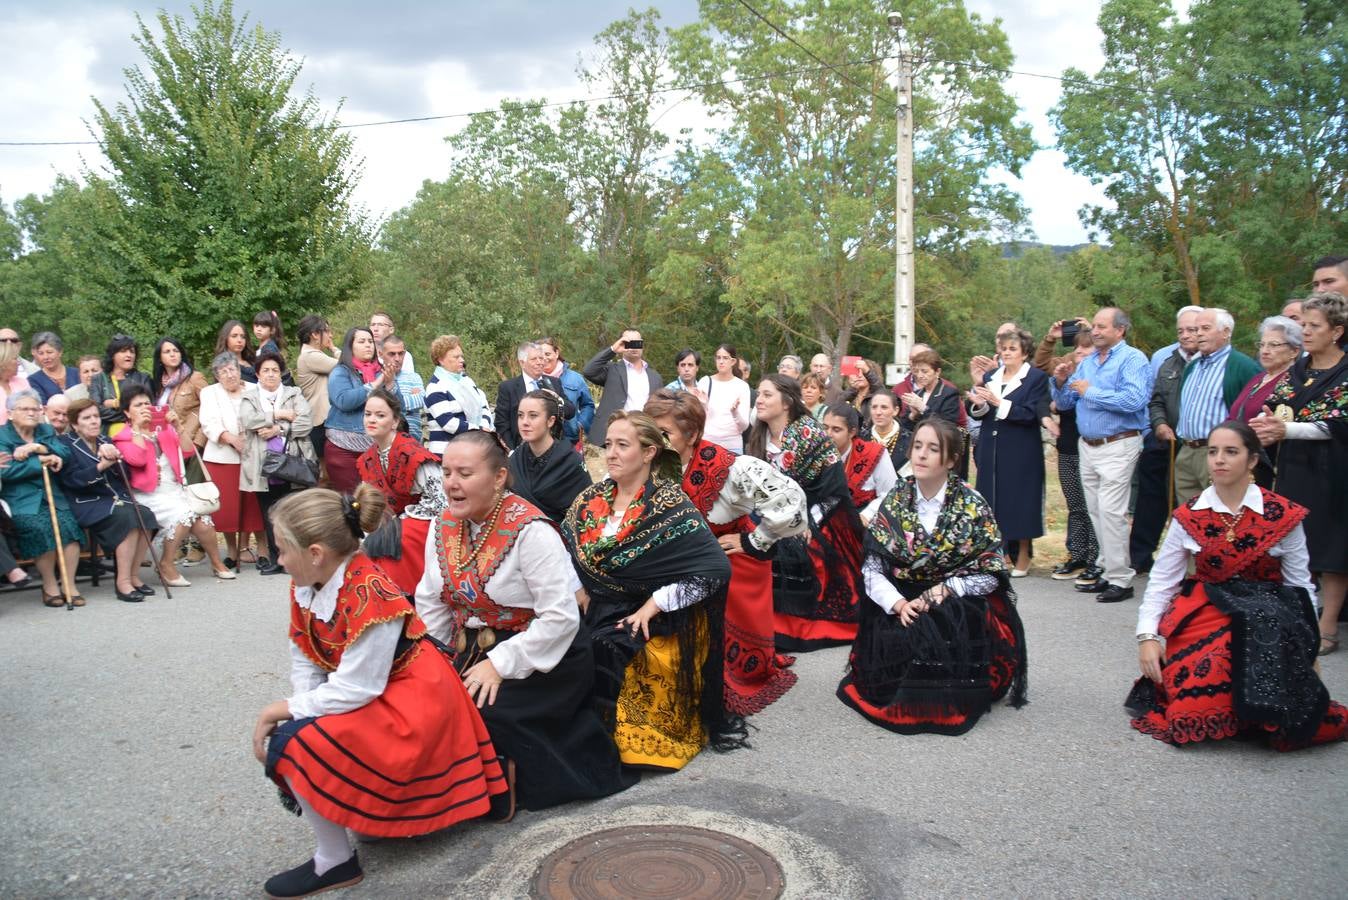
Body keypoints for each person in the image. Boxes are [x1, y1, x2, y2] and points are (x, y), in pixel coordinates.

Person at [254, 484, 505, 898]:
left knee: (293, 742)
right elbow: (306, 652)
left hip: (414, 701)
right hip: (378, 691)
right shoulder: (307, 582)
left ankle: (334, 861)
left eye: (282, 550)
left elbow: (357, 687)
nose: (278, 560)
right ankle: (365, 815)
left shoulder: (372, 592)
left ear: (316, 553)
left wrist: (281, 712)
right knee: (304, 729)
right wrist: (300, 705)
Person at [413, 431, 632, 812]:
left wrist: (499, 665)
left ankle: (504, 784)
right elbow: (431, 600)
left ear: (498, 477)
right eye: (447, 472)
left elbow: (560, 619)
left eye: (464, 473)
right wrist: (434, 657)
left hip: (544, 651)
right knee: (420, 701)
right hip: (470, 645)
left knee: (477, 708)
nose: (451, 483)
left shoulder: (531, 531)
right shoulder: (442, 525)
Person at [1127, 421, 1346, 750]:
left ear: (1253, 460)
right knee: (1193, 704)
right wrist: (1147, 637)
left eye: (1231, 452)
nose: (1219, 460)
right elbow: (1161, 583)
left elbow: (1301, 587)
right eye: (1213, 452)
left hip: (1271, 613)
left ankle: (1259, 713)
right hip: (1206, 610)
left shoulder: (1283, 515)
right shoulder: (1189, 515)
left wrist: (1309, 647)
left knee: (1262, 632)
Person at [562, 411, 745, 770]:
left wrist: (654, 605)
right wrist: (579, 587)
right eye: (608, 444)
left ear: (648, 453)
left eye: (622, 445)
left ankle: (610, 738)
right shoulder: (589, 500)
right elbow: (567, 550)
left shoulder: (671, 506)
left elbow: (713, 571)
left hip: (646, 613)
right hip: (591, 605)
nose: (610, 453)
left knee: (606, 649)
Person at [837, 418, 1027, 734]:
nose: (921, 455)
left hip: (950, 596)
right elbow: (871, 570)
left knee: (946, 620)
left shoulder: (972, 504)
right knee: (906, 631)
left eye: (933, 448)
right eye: (918, 446)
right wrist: (898, 603)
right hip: (903, 596)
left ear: (952, 459)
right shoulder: (894, 500)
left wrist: (948, 588)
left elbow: (991, 571)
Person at [647, 389, 808, 715]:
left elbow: (791, 502)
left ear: (692, 435)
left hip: (732, 560)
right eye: (649, 431)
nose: (653, 441)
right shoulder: (650, 464)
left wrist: (753, 542)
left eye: (664, 433)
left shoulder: (731, 468)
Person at [1252, 292, 1348, 655]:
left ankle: (1327, 626)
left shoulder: (1345, 371)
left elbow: (1338, 423)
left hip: (1333, 469)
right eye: (1303, 324)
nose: (1304, 332)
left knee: (1332, 546)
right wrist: (1263, 424)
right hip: (1292, 466)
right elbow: (1279, 408)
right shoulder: (1298, 370)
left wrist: (1286, 430)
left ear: (1336, 331)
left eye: (1314, 326)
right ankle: (1295, 617)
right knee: (1292, 542)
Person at [747, 374, 864, 651]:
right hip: (766, 515)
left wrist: (805, 522)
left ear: (786, 401)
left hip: (812, 517)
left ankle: (786, 623)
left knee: (793, 550)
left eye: (766, 395)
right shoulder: (758, 433)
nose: (759, 400)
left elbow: (833, 493)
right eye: (759, 395)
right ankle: (752, 621)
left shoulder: (808, 432)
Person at [1052, 307, 1153, 603]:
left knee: (1111, 512)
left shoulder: (1133, 359)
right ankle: (1107, 572)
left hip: (1119, 443)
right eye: (1093, 326)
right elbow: (1067, 402)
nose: (1094, 331)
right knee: (1096, 510)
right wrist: (1060, 382)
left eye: (1101, 326)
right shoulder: (1088, 363)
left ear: (1119, 330)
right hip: (1089, 445)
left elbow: (1135, 400)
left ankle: (1122, 580)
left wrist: (1091, 392)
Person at [115, 385, 233, 585]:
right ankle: (166, 565)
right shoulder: (123, 436)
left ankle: (216, 563)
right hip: (148, 494)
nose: (145, 408)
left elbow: (187, 452)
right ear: (127, 412)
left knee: (203, 521)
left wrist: (178, 427)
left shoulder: (164, 430)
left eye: (147, 403)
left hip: (175, 489)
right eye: (138, 405)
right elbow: (137, 460)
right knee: (183, 515)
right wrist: (137, 429)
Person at [969, 327, 1050, 576]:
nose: (1007, 352)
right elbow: (980, 414)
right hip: (991, 445)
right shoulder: (992, 376)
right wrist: (980, 405)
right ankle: (998, 552)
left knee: (1021, 500)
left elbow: (1030, 414)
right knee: (992, 499)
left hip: (1021, 447)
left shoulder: (1036, 378)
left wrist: (998, 403)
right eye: (1004, 348)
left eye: (1012, 348)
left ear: (1025, 353)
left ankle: (1023, 554)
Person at [1129, 306, 1202, 577]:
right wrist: (1158, 424)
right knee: (1150, 501)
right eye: (1181, 330)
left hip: (1196, 444)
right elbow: (1156, 399)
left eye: (1192, 330)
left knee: (1187, 503)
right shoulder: (1167, 360)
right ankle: (1140, 558)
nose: (1185, 335)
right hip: (1162, 441)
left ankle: (1189, 562)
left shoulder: (1212, 361)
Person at [60, 398, 157, 602]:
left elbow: (125, 477)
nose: (94, 421)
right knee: (128, 519)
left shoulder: (105, 440)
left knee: (146, 515)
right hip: (86, 502)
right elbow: (72, 480)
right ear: (75, 424)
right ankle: (122, 583)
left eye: (96, 416)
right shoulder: (66, 444)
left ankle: (133, 575)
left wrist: (117, 459)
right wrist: (101, 466)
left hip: (114, 497)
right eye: (87, 418)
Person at [356, 388, 444, 597]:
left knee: (397, 539)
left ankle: (409, 597)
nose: (372, 420)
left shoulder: (412, 454)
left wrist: (401, 520)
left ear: (395, 421)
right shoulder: (367, 459)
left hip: (424, 524)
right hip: (387, 524)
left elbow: (441, 502)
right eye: (368, 414)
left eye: (380, 415)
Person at [0, 390, 84, 606]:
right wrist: (42, 460)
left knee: (69, 530)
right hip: (21, 499)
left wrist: (37, 447)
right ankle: (50, 586)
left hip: (52, 495)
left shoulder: (45, 430)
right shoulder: (2, 436)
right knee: (40, 528)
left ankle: (69, 584)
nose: (31, 413)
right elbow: (6, 470)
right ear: (10, 413)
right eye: (24, 409)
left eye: (34, 409)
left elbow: (64, 453)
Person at [1171, 309, 1260, 506]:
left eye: (1205, 328)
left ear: (1226, 332)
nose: (1198, 334)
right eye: (1196, 329)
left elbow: (1255, 410)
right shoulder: (1192, 367)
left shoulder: (1243, 367)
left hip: (1218, 453)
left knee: (1221, 510)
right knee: (1190, 516)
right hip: (1186, 451)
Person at [239, 352, 315, 576]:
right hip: (262, 464)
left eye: (274, 370)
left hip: (291, 461)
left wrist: (279, 429)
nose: (271, 374)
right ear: (257, 374)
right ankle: (276, 559)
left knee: (292, 512)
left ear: (280, 373)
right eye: (266, 371)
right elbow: (247, 420)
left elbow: (306, 422)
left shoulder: (294, 393)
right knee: (269, 513)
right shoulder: (249, 397)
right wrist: (278, 414)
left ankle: (297, 558)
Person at [1035, 330, 1099, 580]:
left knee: (1093, 506)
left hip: (1091, 447)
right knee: (1075, 506)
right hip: (1068, 447)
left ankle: (1095, 558)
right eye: (1078, 349)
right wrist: (1051, 405)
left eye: (1086, 349)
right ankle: (1077, 555)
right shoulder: (1067, 375)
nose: (1080, 353)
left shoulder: (1098, 378)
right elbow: (1049, 397)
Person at [199, 352, 266, 569]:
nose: (229, 375)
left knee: (254, 504)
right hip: (222, 456)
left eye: (232, 369)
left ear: (239, 370)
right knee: (227, 507)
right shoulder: (209, 393)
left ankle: (263, 550)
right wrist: (232, 439)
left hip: (253, 455)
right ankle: (232, 551)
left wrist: (250, 438)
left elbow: (265, 415)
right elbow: (208, 422)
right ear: (217, 376)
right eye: (223, 371)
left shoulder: (255, 389)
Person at [508, 390, 591, 523]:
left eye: (533, 415)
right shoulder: (514, 461)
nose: (524, 422)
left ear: (550, 421)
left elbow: (587, 510)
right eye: (520, 415)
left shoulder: (571, 462)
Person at [324, 327, 388, 494]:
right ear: (350, 347)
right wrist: (374, 385)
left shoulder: (380, 371)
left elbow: (396, 405)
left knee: (375, 501)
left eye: (370, 341)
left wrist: (391, 384)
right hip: (344, 449)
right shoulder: (341, 372)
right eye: (362, 341)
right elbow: (344, 401)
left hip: (376, 447)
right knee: (351, 502)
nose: (368, 345)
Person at [581, 329, 664, 446]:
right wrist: (613, 350)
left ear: (642, 345)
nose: (633, 347)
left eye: (637, 343)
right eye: (628, 343)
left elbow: (660, 409)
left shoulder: (655, 377)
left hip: (642, 437)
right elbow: (589, 371)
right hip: (608, 435)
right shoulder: (611, 370)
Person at [823, 404, 897, 525]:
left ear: (852, 432)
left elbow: (891, 493)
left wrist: (866, 515)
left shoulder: (873, 453)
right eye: (825, 428)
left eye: (836, 429)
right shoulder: (817, 454)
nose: (828, 434)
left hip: (863, 524)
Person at [495, 342, 575, 451]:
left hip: (554, 448)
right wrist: (514, 451)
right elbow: (502, 423)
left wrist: (558, 400)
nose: (540, 362)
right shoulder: (508, 388)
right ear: (522, 363)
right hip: (521, 449)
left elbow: (571, 411)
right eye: (534, 359)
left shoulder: (554, 383)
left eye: (541, 359)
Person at [425, 334, 493, 456]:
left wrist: (484, 426)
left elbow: (484, 407)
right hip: (446, 454)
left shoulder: (467, 381)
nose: (462, 360)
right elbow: (448, 423)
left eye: (461, 356)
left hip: (473, 448)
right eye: (456, 357)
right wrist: (478, 430)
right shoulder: (435, 387)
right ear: (441, 360)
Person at [894, 349, 962, 463]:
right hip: (919, 448)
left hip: (939, 450)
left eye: (925, 371)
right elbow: (904, 428)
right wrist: (912, 415)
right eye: (916, 371)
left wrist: (923, 408)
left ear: (937, 372)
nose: (920, 375)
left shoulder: (949, 393)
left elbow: (948, 426)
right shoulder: (917, 394)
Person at [152, 337, 209, 455]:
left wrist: (198, 443)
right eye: (167, 352)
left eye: (176, 351)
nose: (172, 354)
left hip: (191, 445)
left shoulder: (195, 378)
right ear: (160, 358)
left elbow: (211, 410)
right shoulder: (160, 385)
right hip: (168, 446)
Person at [295, 315, 338, 465]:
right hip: (320, 421)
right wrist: (334, 348)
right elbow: (345, 365)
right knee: (326, 474)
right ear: (314, 334)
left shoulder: (313, 355)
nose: (330, 335)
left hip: (322, 421)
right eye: (327, 331)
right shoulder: (310, 356)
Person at [88, 335, 152, 436]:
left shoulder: (143, 378)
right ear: (113, 355)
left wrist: (113, 404)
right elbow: (96, 411)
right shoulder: (98, 379)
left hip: (139, 434)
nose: (129, 355)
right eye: (123, 351)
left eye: (132, 351)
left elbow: (148, 410)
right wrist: (130, 412)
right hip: (106, 436)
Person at [538, 336, 595, 448]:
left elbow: (588, 405)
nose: (544, 358)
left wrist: (580, 424)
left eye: (547, 354)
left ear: (556, 353)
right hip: (541, 440)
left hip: (571, 440)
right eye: (540, 355)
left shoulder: (576, 378)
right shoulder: (533, 380)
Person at [696, 344, 752, 453]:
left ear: (733, 362)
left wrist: (735, 412)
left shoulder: (742, 386)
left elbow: (744, 426)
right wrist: (703, 405)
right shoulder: (705, 382)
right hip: (707, 442)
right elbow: (697, 419)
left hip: (732, 445)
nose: (721, 361)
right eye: (718, 358)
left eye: (725, 358)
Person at [377, 336, 426, 441]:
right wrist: (409, 400)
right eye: (392, 354)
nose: (397, 358)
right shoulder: (376, 379)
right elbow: (380, 408)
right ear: (381, 354)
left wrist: (393, 404)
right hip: (386, 440)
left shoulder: (414, 377)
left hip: (413, 441)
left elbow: (422, 401)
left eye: (401, 353)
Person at [26, 332, 79, 403]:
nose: (46, 357)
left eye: (49, 352)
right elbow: (42, 405)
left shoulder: (77, 373)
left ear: (60, 352)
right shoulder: (34, 380)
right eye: (41, 353)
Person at [368, 310, 417, 374]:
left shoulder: (404, 356)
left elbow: (408, 381)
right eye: (373, 324)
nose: (375, 329)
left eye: (380, 325)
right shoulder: (364, 354)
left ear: (391, 330)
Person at [251, 311, 291, 384]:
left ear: (272, 330)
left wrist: (240, 367)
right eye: (256, 325)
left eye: (263, 326)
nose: (259, 329)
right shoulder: (263, 346)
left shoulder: (269, 348)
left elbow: (258, 370)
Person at [867, 391, 903, 462]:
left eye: (884, 407)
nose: (878, 412)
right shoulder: (861, 438)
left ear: (895, 410)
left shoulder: (909, 440)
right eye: (874, 407)